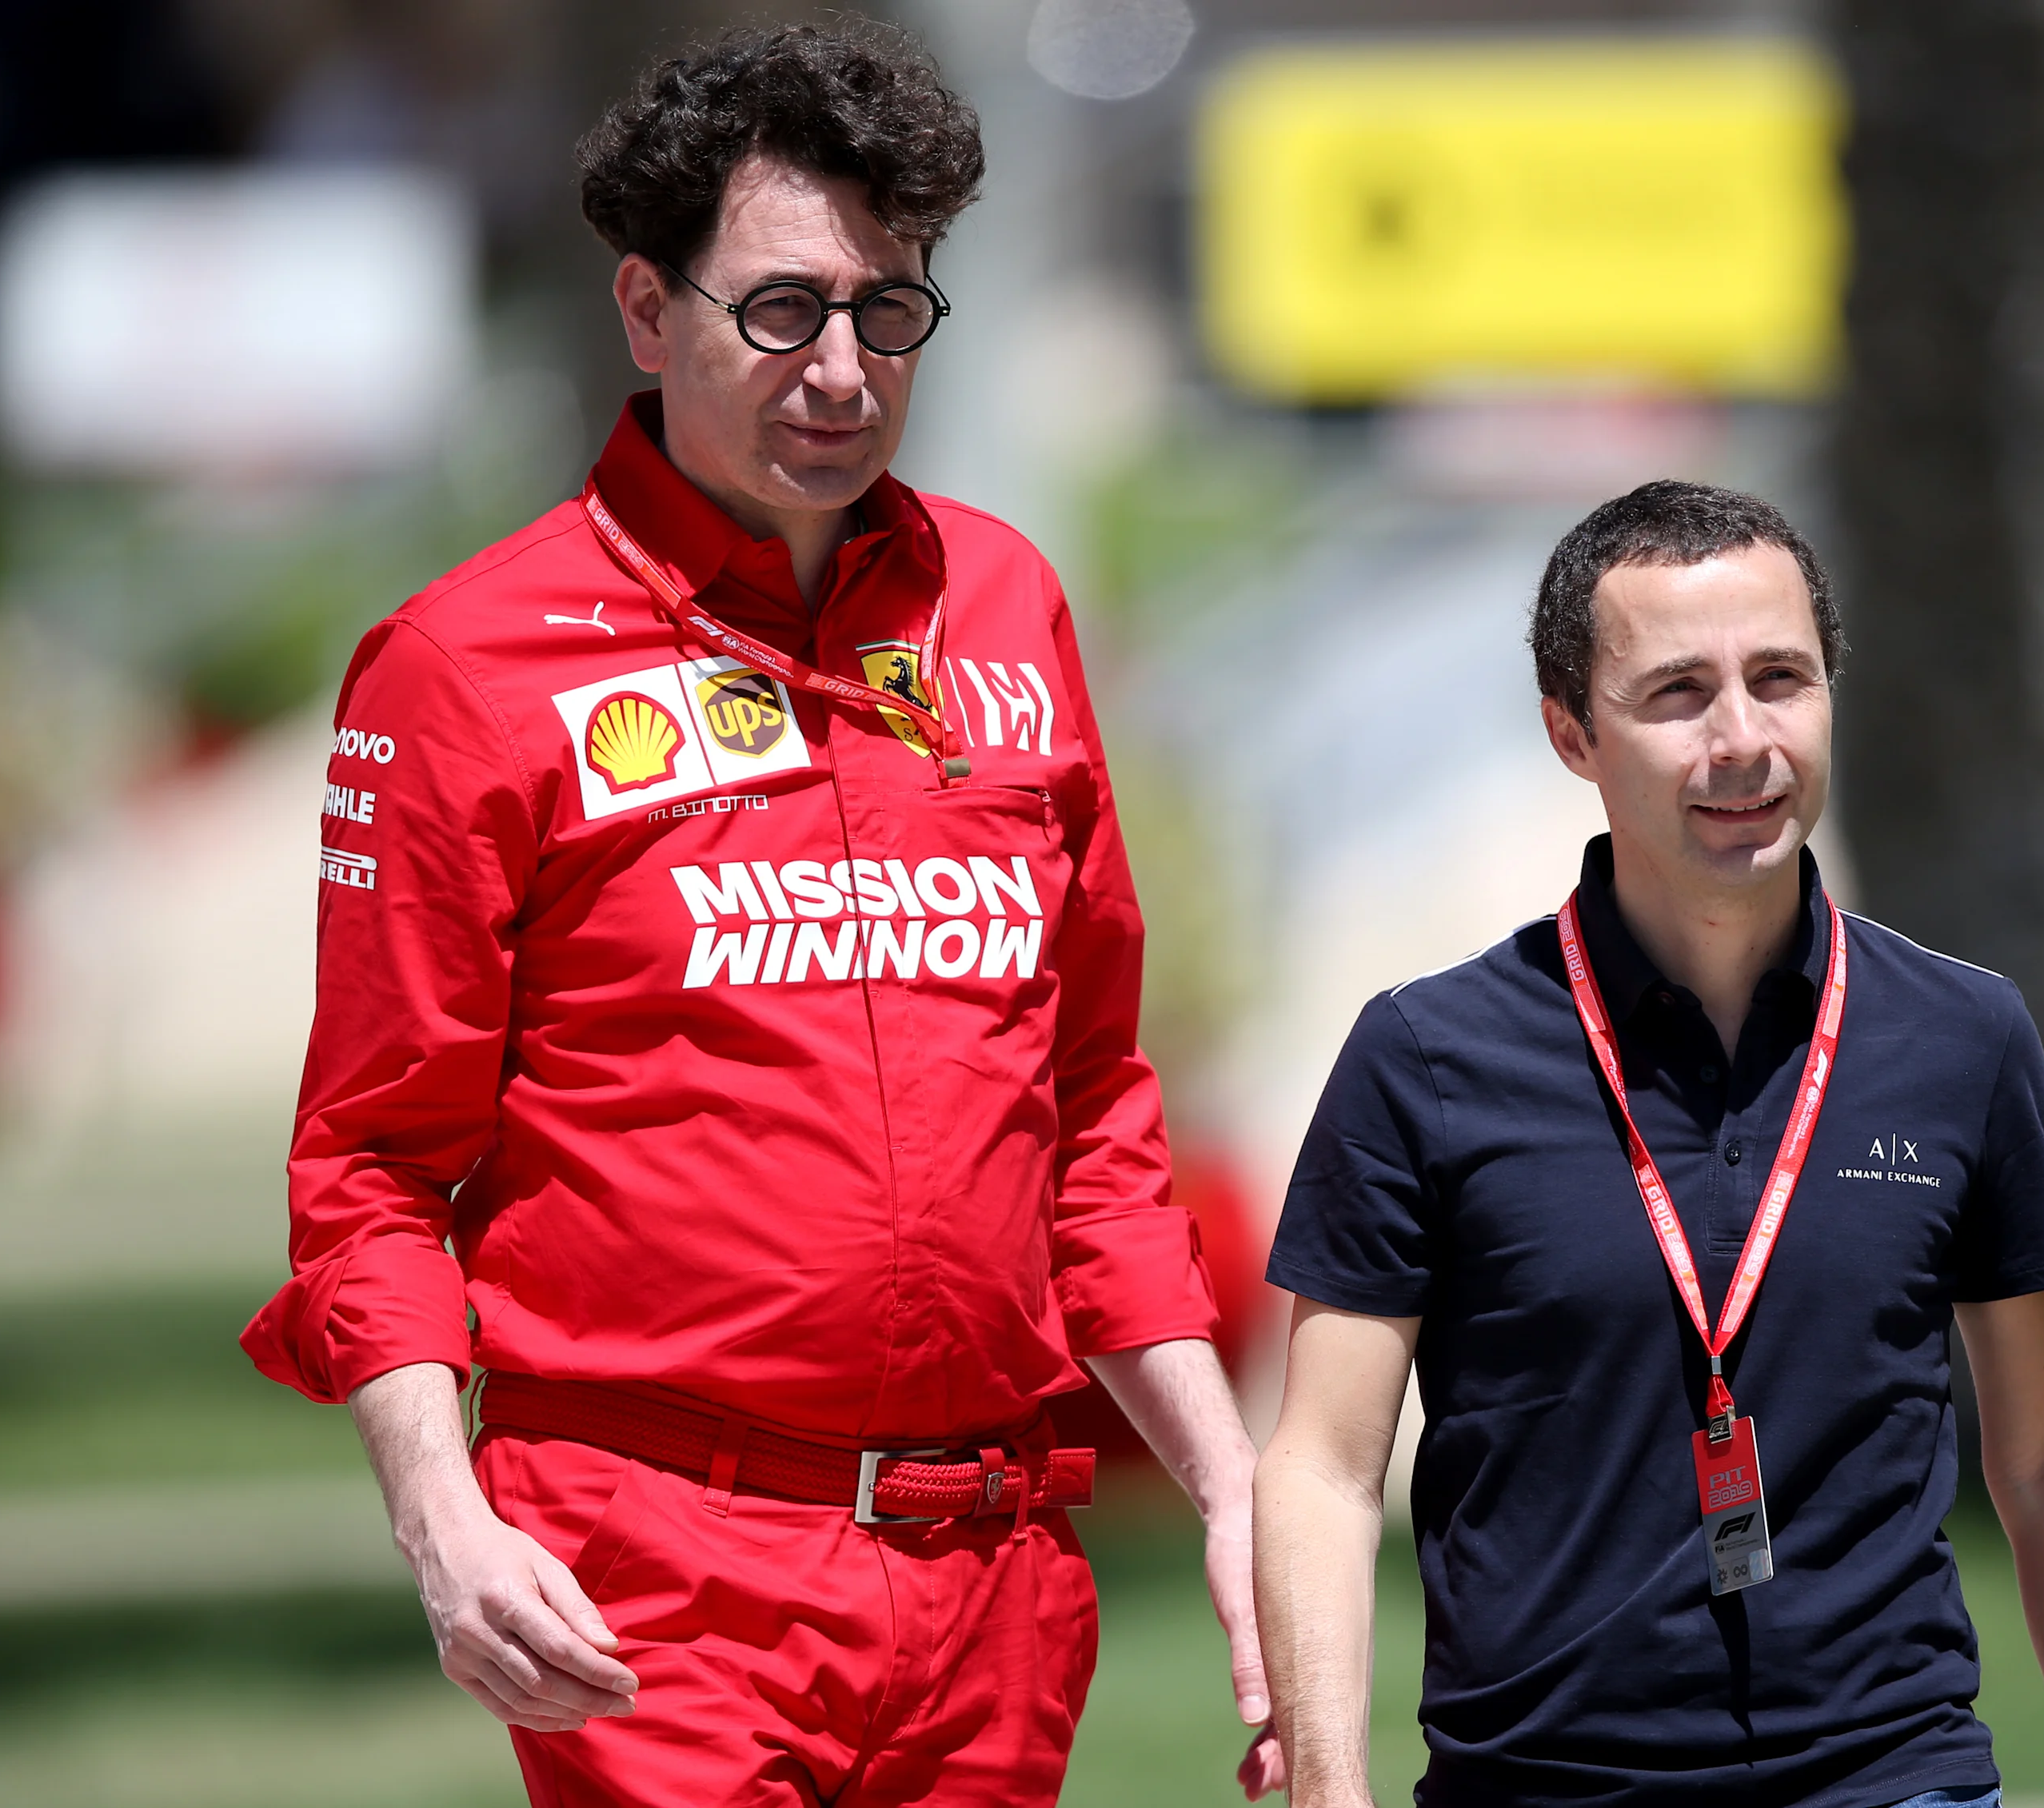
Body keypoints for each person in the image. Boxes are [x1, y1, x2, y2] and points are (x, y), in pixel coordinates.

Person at [242, 22, 1279, 1807]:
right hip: (656, 1574)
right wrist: (445, 1520)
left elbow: (1093, 1113)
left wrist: (1240, 1488)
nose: (842, 371)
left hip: (998, 1588)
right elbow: (370, 1171)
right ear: (647, 311)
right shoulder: (465, 662)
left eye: (890, 312)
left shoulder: (1004, 604)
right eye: (781, 309)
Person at [1252, 482, 2044, 1808]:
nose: (1744, 740)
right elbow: (1327, 1469)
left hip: (1891, 1777)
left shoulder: (1962, 1037)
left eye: (1780, 678)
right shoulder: (1425, 1057)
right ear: (1573, 731)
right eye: (1677, 693)